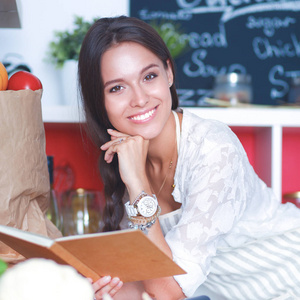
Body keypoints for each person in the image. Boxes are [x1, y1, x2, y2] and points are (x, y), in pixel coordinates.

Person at [78, 16, 300, 300]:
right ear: (100, 100)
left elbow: (168, 292)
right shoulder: (129, 156)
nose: (140, 98)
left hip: (291, 279)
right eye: (117, 88)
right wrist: (104, 291)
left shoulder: (213, 150)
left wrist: (137, 183)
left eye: (149, 76)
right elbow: (149, 283)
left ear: (168, 73)